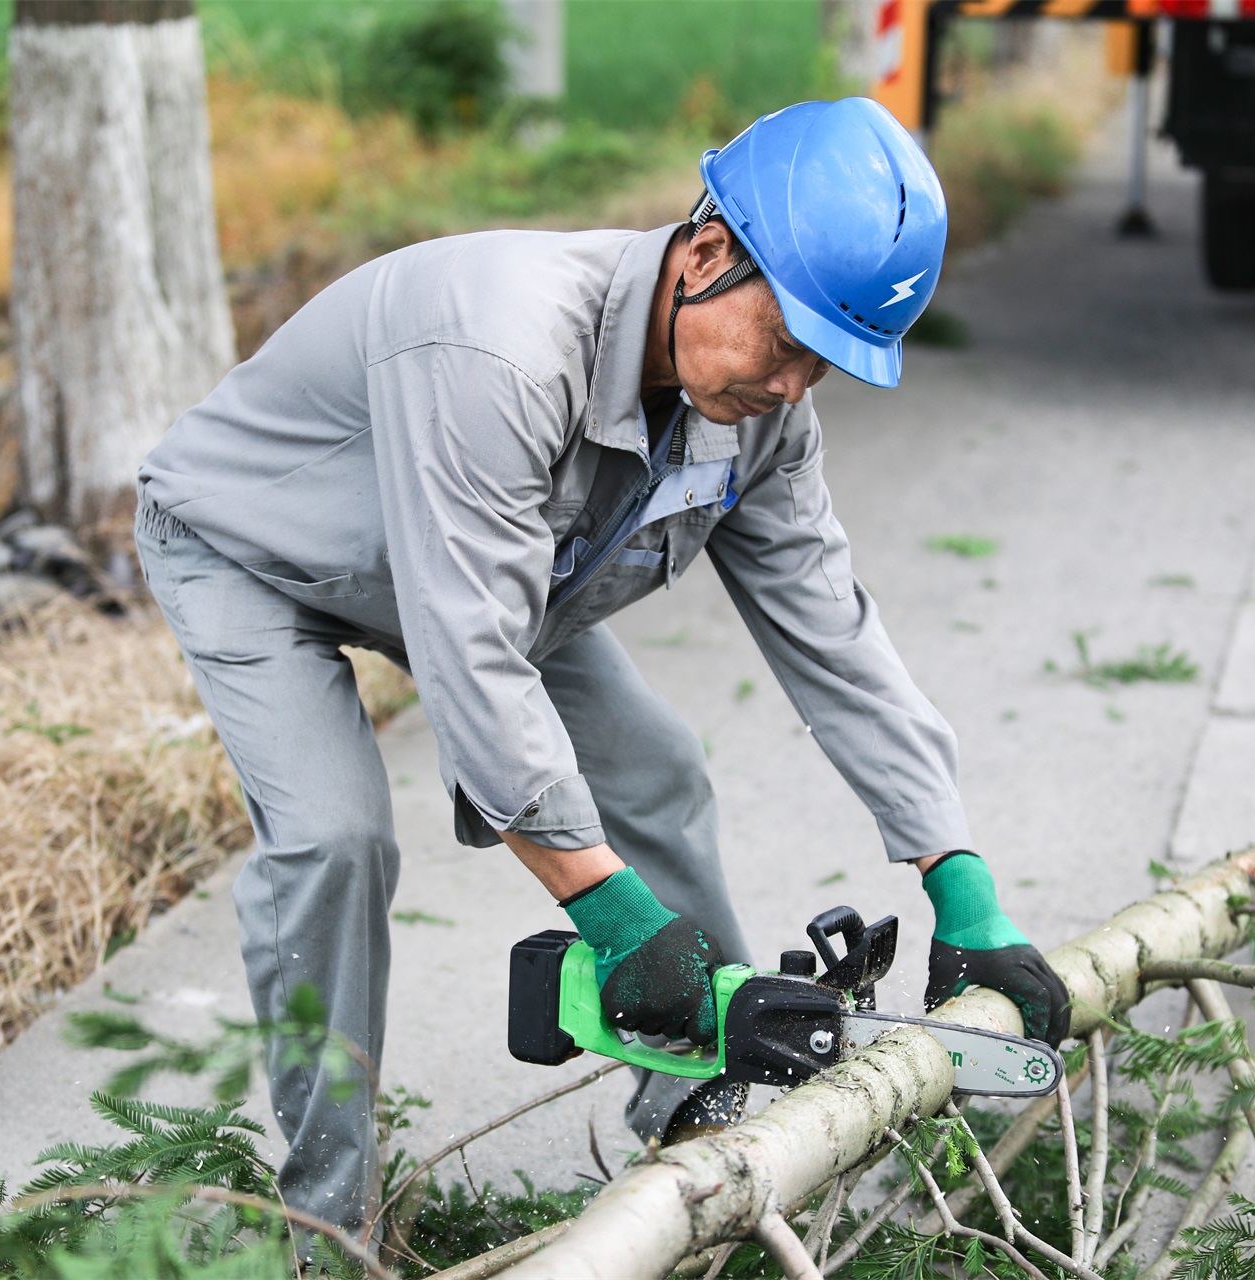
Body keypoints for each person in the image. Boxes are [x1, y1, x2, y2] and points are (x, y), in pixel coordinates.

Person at [134, 97, 1071, 1233]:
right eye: (785, 346)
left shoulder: (757, 412)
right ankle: (326, 1221)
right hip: (257, 548)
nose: (789, 388)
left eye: (822, 368)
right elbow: (471, 652)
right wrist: (607, 907)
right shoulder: (502, 350)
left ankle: (708, 1135)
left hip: (476, 575)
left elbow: (833, 632)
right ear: (711, 250)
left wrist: (961, 882)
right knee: (335, 838)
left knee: (659, 772)